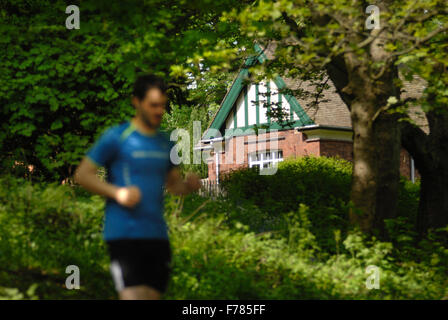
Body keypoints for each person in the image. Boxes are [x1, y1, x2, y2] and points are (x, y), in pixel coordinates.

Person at [74, 74, 201, 300]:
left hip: (157, 236)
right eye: (153, 105)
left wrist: (188, 186)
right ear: (137, 102)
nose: (159, 111)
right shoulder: (117, 136)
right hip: (124, 234)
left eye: (162, 105)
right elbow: (83, 175)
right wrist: (117, 192)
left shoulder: (165, 142)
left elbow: (173, 186)